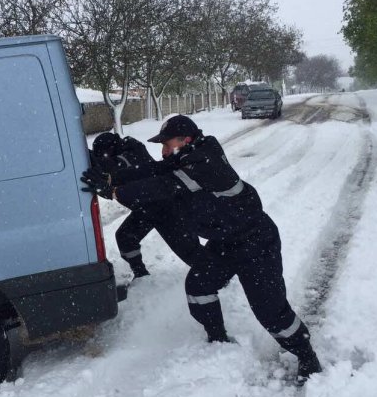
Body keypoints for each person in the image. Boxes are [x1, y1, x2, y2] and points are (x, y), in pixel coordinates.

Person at [81, 115, 322, 383]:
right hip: (226, 241)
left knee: (270, 311)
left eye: (166, 143)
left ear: (185, 140)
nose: (162, 150)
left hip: (255, 242)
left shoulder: (203, 165)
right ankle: (217, 337)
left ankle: (307, 356)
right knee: (199, 286)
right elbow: (154, 170)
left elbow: (159, 187)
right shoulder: (192, 153)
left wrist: (113, 191)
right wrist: (112, 176)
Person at [89, 132, 200, 279]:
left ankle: (216, 274)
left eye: (102, 154)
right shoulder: (123, 152)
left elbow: (114, 167)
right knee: (125, 237)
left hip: (165, 209)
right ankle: (140, 273)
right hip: (144, 209)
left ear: (110, 150)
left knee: (188, 250)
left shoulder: (130, 154)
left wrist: (93, 162)